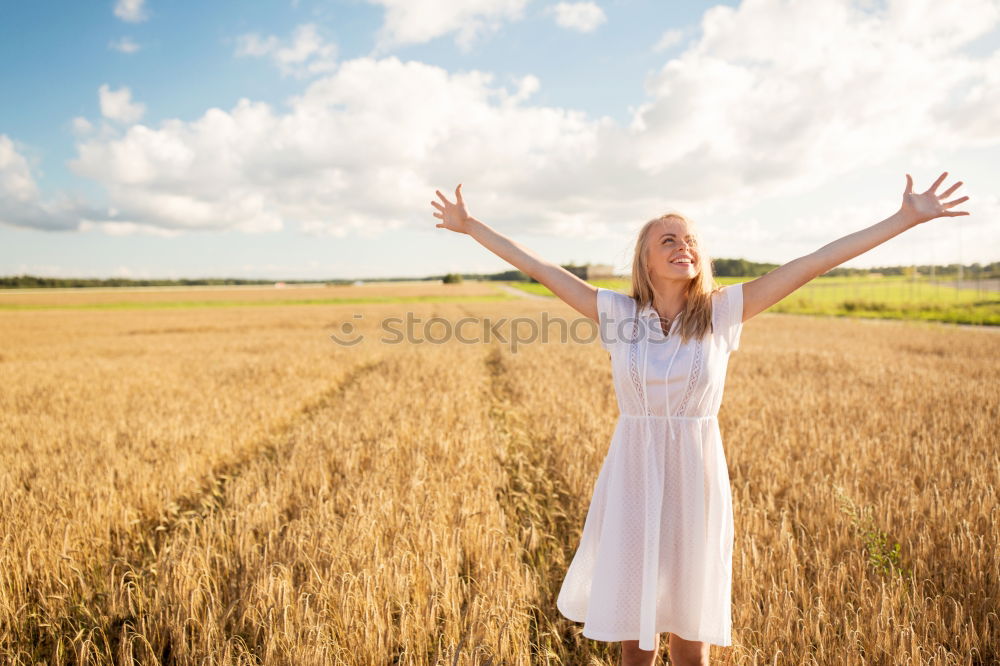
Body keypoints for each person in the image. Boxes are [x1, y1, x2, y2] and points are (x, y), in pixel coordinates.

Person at [430, 173, 968, 666]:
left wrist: (904, 219)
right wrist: (471, 226)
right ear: (644, 259)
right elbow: (539, 268)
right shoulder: (618, 316)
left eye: (689, 241)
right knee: (634, 641)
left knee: (692, 642)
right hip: (635, 477)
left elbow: (812, 262)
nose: (683, 246)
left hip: (696, 477)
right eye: (668, 240)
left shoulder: (722, 312)